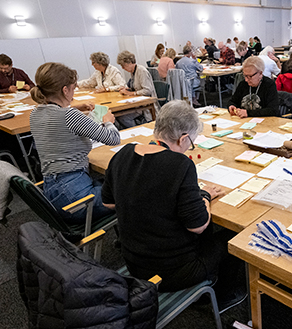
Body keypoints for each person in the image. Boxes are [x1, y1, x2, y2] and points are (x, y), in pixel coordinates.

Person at [101, 100, 236, 293]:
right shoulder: (180, 165)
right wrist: (204, 195)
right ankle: (226, 294)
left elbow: (108, 203)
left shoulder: (123, 153)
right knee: (232, 237)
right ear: (183, 138)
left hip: (133, 261)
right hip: (172, 271)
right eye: (190, 143)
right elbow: (198, 226)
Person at [29, 62, 120, 224]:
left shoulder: (35, 113)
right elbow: (113, 139)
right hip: (77, 200)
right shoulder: (70, 116)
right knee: (132, 189)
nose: (74, 92)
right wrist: (108, 122)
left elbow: (55, 116)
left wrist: (75, 106)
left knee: (114, 181)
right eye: (73, 88)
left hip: (53, 192)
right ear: (65, 90)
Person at [116, 51, 159, 127]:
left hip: (146, 106)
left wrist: (131, 93)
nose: (122, 68)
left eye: (123, 65)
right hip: (138, 104)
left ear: (130, 62)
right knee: (119, 114)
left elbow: (147, 90)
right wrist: (127, 89)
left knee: (123, 118)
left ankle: (137, 130)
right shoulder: (133, 71)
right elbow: (136, 87)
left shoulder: (141, 71)